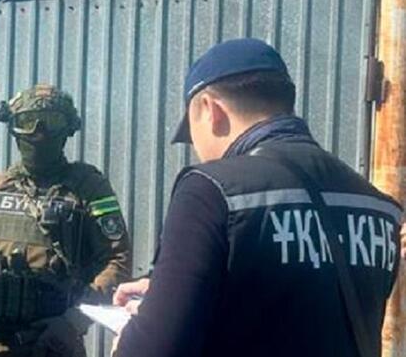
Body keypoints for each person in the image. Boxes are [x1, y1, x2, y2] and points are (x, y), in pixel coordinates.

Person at [112, 38, 402, 357]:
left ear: (210, 110)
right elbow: (310, 307)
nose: (197, 150)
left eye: (192, 135)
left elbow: (152, 350)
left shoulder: (211, 191)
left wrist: (129, 336)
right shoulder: (382, 209)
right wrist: (171, 292)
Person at [0, 84, 132, 357]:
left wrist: (73, 321)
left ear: (68, 128)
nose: (40, 132)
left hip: (53, 344)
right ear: (13, 128)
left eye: (51, 122)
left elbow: (117, 260)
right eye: (28, 122)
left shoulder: (88, 188)